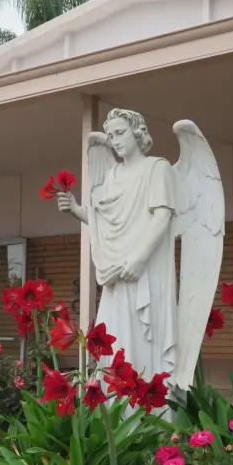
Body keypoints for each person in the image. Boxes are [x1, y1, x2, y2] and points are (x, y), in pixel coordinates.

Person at [56, 109, 178, 381]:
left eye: (120, 133)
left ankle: (147, 406)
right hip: (116, 272)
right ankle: (114, 409)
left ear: (137, 132)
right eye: (111, 136)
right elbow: (104, 219)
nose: (115, 141)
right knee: (114, 336)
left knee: (143, 340)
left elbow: (162, 218)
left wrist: (139, 259)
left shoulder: (157, 168)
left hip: (144, 271)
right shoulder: (112, 176)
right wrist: (76, 210)